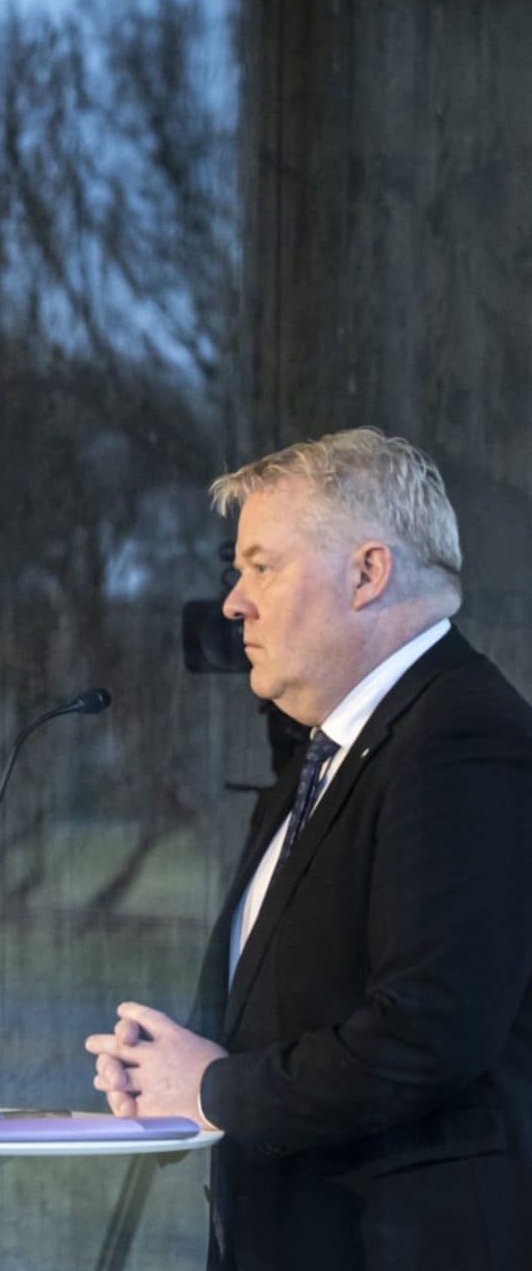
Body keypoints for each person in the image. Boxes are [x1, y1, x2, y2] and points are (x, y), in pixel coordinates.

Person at [84, 429, 532, 1270]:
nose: (232, 603)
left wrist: (219, 1090)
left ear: (368, 574)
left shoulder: (460, 739)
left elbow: (427, 1032)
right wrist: (177, 1076)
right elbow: (311, 997)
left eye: (262, 566)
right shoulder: (330, 745)